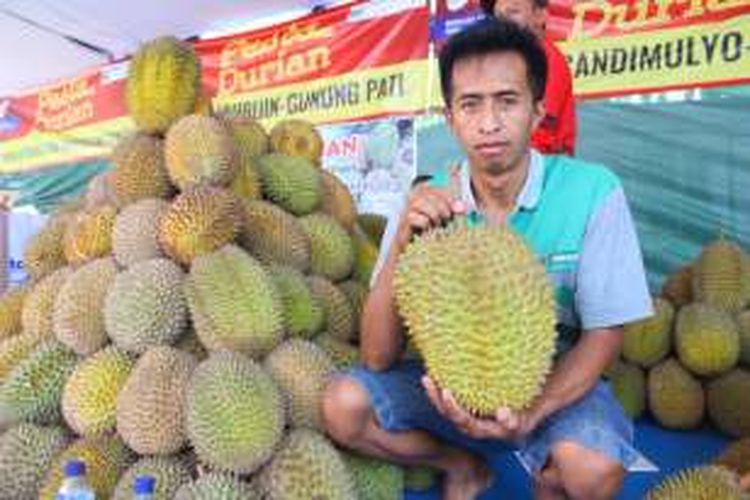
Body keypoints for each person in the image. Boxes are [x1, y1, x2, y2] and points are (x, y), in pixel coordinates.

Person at [322, 17, 652, 500]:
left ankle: (547, 474)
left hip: (553, 386)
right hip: (450, 389)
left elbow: (605, 335)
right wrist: (401, 245)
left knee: (593, 470)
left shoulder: (592, 191)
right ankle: (462, 464)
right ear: (451, 118)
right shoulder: (425, 200)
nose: (489, 122)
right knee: (341, 406)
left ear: (538, 110)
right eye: (470, 105)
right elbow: (376, 356)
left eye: (507, 101)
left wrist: (531, 414)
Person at [481, 0, 576, 156]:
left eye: (513, 12)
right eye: (498, 17)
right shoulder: (512, 60)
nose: (503, 22)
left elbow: (540, 133)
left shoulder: (545, 57)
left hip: (544, 166)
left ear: (540, 15)